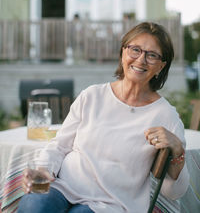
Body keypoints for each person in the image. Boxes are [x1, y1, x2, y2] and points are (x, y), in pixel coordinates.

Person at [17, 22, 189, 213]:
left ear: (161, 66)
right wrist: (43, 170)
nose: (141, 60)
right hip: (64, 187)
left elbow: (174, 192)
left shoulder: (165, 115)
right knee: (33, 205)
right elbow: (60, 145)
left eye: (152, 55)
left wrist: (177, 150)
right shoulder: (92, 95)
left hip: (111, 203)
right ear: (123, 52)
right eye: (135, 50)